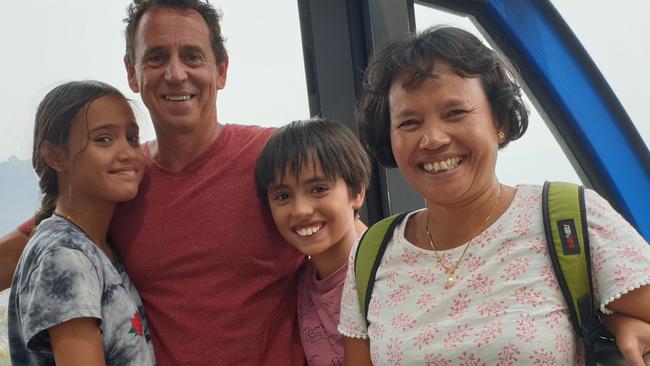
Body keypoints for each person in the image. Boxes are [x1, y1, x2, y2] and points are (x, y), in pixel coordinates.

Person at [0, 1, 305, 365]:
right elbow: (45, 243)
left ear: (221, 70)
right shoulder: (116, 183)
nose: (176, 74)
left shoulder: (276, 161)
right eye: (157, 57)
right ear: (133, 72)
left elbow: (355, 252)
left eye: (192, 56)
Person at [338, 26, 650, 365]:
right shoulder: (373, 254)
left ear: (499, 120)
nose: (433, 139)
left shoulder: (571, 221)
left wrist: (616, 319)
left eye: (454, 113)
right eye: (409, 123)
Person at [8, 80, 155, 365]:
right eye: (103, 139)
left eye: (132, 138)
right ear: (54, 155)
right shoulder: (65, 255)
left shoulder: (96, 247)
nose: (127, 153)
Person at [254, 118, 371, 365]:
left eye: (318, 189)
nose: (300, 211)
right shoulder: (302, 281)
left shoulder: (382, 271)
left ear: (357, 192)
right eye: (283, 196)